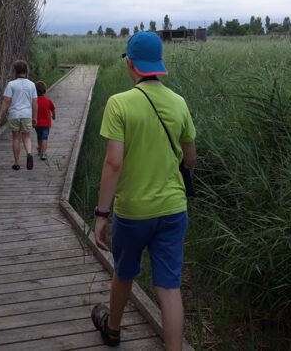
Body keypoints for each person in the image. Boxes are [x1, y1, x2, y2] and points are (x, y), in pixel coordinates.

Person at [91, 31, 196, 350]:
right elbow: (190, 157)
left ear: (131, 64)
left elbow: (113, 164)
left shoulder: (119, 104)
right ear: (158, 65)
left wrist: (101, 215)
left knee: (124, 274)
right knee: (168, 286)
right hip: (173, 210)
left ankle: (113, 329)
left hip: (133, 212)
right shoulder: (178, 103)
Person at [0, 60, 38, 170]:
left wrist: (0, 115)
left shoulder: (11, 84)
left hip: (14, 114)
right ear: (26, 71)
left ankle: (16, 163)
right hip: (26, 114)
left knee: (16, 138)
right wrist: (35, 117)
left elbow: (6, 101)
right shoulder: (32, 85)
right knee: (26, 136)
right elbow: (35, 102)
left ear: (15, 71)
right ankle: (29, 153)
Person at [34, 80, 56, 160]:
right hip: (46, 123)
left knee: (39, 136)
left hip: (37, 123)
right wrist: (54, 116)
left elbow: (32, 111)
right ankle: (43, 153)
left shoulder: (34, 101)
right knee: (45, 137)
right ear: (45, 90)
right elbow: (53, 109)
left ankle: (40, 149)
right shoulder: (48, 101)